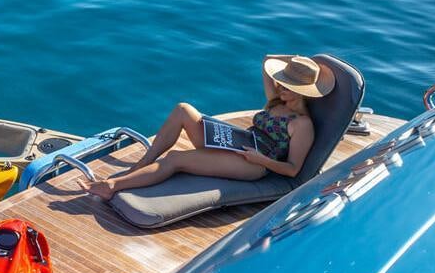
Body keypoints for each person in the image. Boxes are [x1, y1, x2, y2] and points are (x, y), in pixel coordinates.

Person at [83, 55, 335, 200]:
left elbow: (292, 170)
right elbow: (267, 62)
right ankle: (141, 165)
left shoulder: (302, 125)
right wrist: (297, 65)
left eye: (286, 85)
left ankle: (112, 187)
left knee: (175, 159)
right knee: (183, 109)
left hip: (255, 163)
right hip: (240, 141)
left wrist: (258, 159)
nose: (279, 87)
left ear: (302, 92)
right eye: (281, 81)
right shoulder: (276, 101)